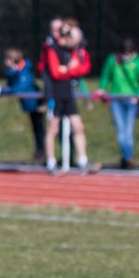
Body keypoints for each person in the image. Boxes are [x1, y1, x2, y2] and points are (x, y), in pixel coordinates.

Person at [41, 19, 99, 175]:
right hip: (55, 94)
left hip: (69, 94)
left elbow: (82, 69)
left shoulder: (74, 50)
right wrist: (68, 69)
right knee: (52, 129)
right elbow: (55, 72)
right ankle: (51, 163)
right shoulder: (52, 49)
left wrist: (66, 69)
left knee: (78, 127)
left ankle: (83, 161)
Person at [93, 38, 139, 169]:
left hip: (131, 100)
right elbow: (105, 76)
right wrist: (102, 88)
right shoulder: (113, 60)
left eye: (129, 53)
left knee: (128, 131)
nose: (126, 56)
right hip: (116, 99)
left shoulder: (138, 62)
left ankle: (126, 157)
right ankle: (128, 157)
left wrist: (138, 96)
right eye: (124, 53)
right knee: (121, 130)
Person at [0, 47, 44, 161]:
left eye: (7, 59)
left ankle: (49, 155)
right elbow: (11, 86)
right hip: (30, 105)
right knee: (36, 129)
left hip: (38, 104)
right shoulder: (13, 72)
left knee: (43, 130)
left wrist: (2, 90)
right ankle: (40, 153)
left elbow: (18, 89)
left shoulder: (25, 72)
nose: (5, 62)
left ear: (13, 59)